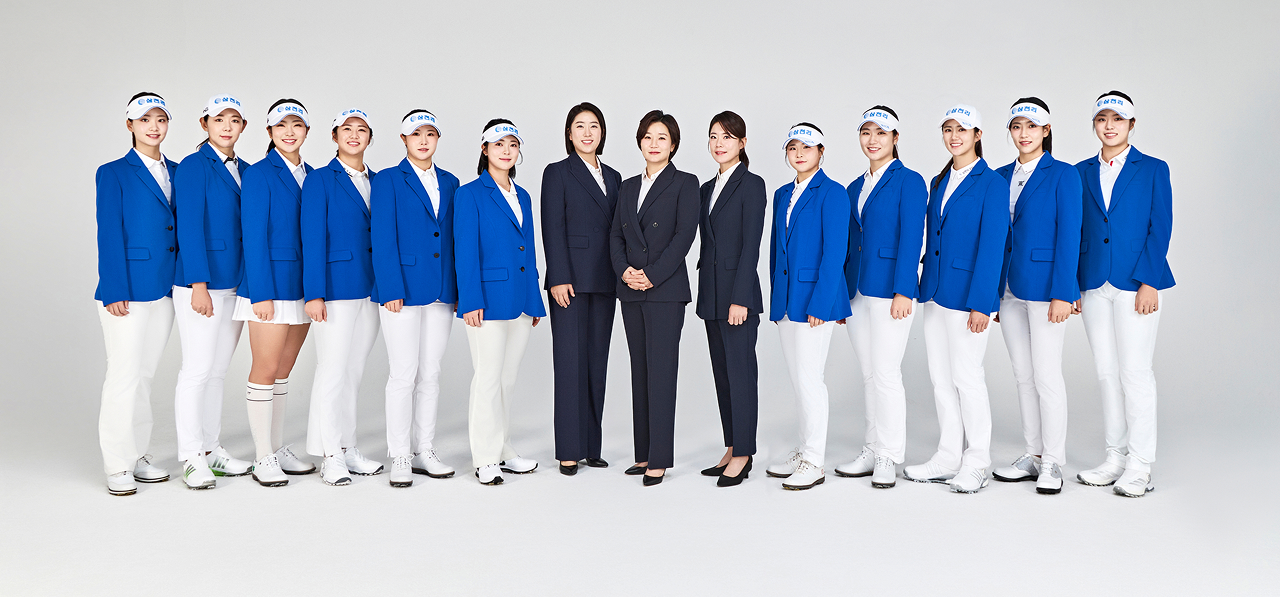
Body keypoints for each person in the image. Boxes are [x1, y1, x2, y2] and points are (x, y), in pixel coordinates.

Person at [1074, 91, 1174, 498]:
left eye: (1117, 119)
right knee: (1106, 372)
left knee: (1135, 373)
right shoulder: (1080, 171)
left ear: (1131, 124)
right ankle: (1115, 457)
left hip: (1135, 283)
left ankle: (1140, 464)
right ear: (1095, 125)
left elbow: (1160, 226)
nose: (1109, 126)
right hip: (1093, 283)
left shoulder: (1153, 169)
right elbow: (1075, 230)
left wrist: (1150, 281)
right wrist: (1071, 284)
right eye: (1102, 119)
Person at [904, 105, 1007, 494]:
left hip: (968, 297)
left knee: (967, 377)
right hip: (934, 291)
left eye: (962, 129)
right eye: (948, 129)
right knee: (941, 378)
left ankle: (977, 461)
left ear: (978, 134)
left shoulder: (992, 183)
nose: (954, 136)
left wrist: (983, 302)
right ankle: (948, 455)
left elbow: (993, 245)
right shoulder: (939, 179)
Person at [990, 97, 1082, 495]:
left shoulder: (1063, 174)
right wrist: (992, 292)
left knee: (1046, 374)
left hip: (1046, 289)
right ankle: (1033, 453)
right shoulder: (998, 176)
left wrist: (1064, 291)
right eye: (1016, 126)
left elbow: (1070, 235)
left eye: (1031, 126)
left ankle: (1054, 461)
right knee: (1023, 375)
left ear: (1046, 130)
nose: (1023, 133)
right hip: (1008, 290)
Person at [834, 106, 928, 489]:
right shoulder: (853, 187)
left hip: (891, 290)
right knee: (869, 374)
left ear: (895, 138)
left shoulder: (910, 181)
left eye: (881, 133)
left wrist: (905, 288)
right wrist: (839, 296)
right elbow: (848, 244)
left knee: (887, 373)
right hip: (856, 290)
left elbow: (912, 237)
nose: (872, 140)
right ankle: (872, 448)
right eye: (866, 132)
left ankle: (889, 454)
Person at [610, 110, 701, 487]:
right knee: (640, 370)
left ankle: (660, 458)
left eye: (662, 137)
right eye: (647, 136)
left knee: (661, 372)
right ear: (639, 142)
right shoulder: (628, 186)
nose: (654, 143)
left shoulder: (686, 182)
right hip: (631, 289)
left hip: (665, 290)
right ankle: (644, 453)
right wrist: (624, 272)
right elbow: (615, 235)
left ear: (673, 145)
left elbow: (684, 236)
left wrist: (651, 274)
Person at [371, 110, 461, 487]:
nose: (423, 141)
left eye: (430, 134)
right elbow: (382, 236)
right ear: (404, 140)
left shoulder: (451, 181)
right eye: (416, 134)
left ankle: (424, 448)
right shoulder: (388, 179)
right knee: (403, 373)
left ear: (437, 139)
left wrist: (458, 290)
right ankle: (400, 454)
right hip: (402, 290)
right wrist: (390, 287)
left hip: (441, 290)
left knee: (431, 372)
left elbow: (453, 239)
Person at [95, 92, 179, 496]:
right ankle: (116, 464)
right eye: (144, 119)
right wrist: (114, 287)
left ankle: (138, 454)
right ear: (129, 125)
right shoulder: (113, 173)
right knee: (124, 375)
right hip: (126, 289)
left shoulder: (177, 170)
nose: (153, 126)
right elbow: (109, 232)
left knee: (144, 376)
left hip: (167, 288)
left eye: (160, 119)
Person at [455, 120, 546, 485]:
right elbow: (465, 251)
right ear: (485, 150)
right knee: (488, 379)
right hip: (487, 301)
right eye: (498, 144)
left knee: (507, 380)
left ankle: (504, 448)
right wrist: (470, 300)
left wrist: (534, 298)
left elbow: (529, 249)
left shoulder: (523, 195)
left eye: (512, 144)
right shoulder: (469, 194)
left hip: (521, 300)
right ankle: (485, 457)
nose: (506, 150)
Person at [235, 98, 319, 487]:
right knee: (266, 369)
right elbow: (252, 236)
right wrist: (261, 294)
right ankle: (261, 456)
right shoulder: (259, 173)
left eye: (297, 125)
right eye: (281, 125)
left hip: (303, 286)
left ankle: (277, 446)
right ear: (269, 131)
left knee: (284, 370)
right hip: (269, 286)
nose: (290, 132)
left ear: (307, 131)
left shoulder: (313, 174)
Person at [172, 94, 254, 489]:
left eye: (234, 120)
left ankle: (211, 449)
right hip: (201, 284)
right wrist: (198, 285)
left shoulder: (247, 169)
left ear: (243, 127)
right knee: (197, 370)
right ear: (205, 124)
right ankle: (191, 457)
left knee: (219, 371)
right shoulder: (193, 166)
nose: (226, 126)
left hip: (235, 283)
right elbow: (189, 226)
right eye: (219, 119)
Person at [764, 123, 851, 491]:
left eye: (807, 147)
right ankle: (804, 450)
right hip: (788, 300)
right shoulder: (782, 193)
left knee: (810, 379)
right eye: (793, 147)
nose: (799, 153)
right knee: (799, 381)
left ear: (821, 152)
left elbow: (835, 253)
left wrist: (822, 302)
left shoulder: (833, 193)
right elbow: (776, 250)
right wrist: (777, 299)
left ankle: (814, 461)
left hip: (815, 301)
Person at [301, 108, 383, 486]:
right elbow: (312, 238)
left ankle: (348, 446)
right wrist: (314, 293)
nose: (354, 135)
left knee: (353, 370)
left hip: (371, 288)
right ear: (334, 136)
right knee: (332, 370)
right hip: (334, 289)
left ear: (369, 137)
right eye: (346, 129)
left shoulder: (379, 181)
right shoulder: (320, 179)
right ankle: (330, 454)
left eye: (361, 129)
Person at [541, 103, 622, 476]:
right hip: (569, 282)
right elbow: (552, 226)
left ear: (602, 133)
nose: (587, 133)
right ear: (569, 134)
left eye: (594, 126)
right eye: (580, 126)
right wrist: (558, 276)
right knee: (569, 363)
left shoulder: (615, 177)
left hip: (605, 280)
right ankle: (568, 450)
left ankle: (591, 446)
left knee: (596, 363)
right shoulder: (557, 172)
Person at [695, 111, 766, 487]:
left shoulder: (752, 184)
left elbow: (751, 246)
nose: (719, 143)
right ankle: (731, 445)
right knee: (723, 376)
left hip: (737, 297)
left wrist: (740, 299)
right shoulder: (706, 188)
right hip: (711, 294)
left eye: (727, 136)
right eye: (713, 136)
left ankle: (744, 453)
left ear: (742, 143)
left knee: (741, 376)